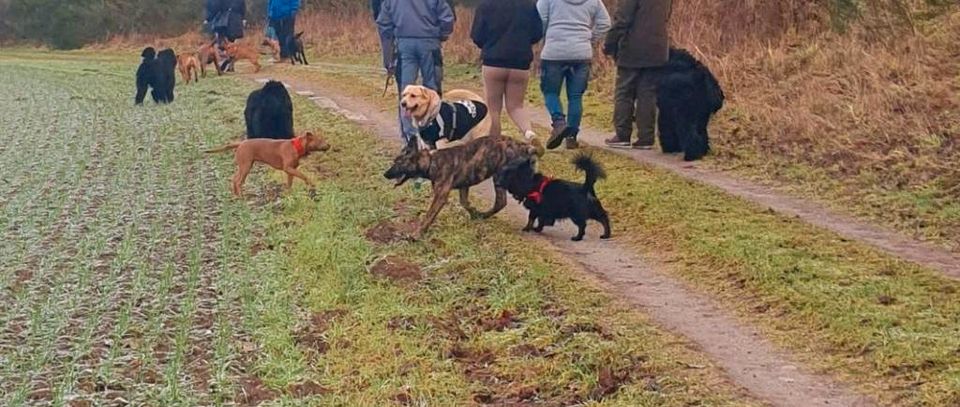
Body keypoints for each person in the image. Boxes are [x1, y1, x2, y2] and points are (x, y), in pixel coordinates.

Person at [377, 0, 455, 143]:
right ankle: (434, 134)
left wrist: (391, 42)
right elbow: (447, 18)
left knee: (405, 94)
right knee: (432, 91)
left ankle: (410, 140)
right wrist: (441, 34)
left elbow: (383, 22)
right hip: (429, 42)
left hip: (404, 44)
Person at [537, 0, 610, 150]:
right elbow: (605, 23)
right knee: (575, 96)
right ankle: (571, 136)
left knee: (550, 92)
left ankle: (558, 123)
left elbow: (540, 20)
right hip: (581, 53)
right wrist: (589, 39)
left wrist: (546, 37)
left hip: (554, 52)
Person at [470, 0, 543, 146]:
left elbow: (476, 35)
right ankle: (529, 133)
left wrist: (487, 45)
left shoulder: (486, 5)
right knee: (516, 106)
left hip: (493, 61)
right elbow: (537, 33)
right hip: (520, 63)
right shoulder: (529, 5)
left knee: (493, 108)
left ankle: (495, 144)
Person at [603, 0, 672, 149]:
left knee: (624, 92)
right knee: (648, 94)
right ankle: (646, 138)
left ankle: (622, 135)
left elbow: (622, 19)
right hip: (657, 48)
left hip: (633, 48)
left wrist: (609, 44)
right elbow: (666, 16)